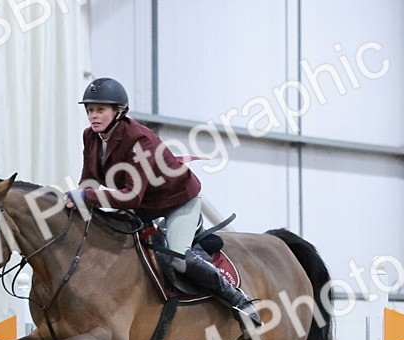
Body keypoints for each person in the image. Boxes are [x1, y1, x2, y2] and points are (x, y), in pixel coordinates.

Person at [65, 77, 262, 327]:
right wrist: (72, 203)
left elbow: (130, 195)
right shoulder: (91, 137)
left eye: (100, 110)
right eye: (90, 110)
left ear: (119, 112)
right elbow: (90, 180)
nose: (93, 116)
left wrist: (87, 197)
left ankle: (238, 301)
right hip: (143, 207)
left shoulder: (139, 140)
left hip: (177, 203)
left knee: (178, 258)